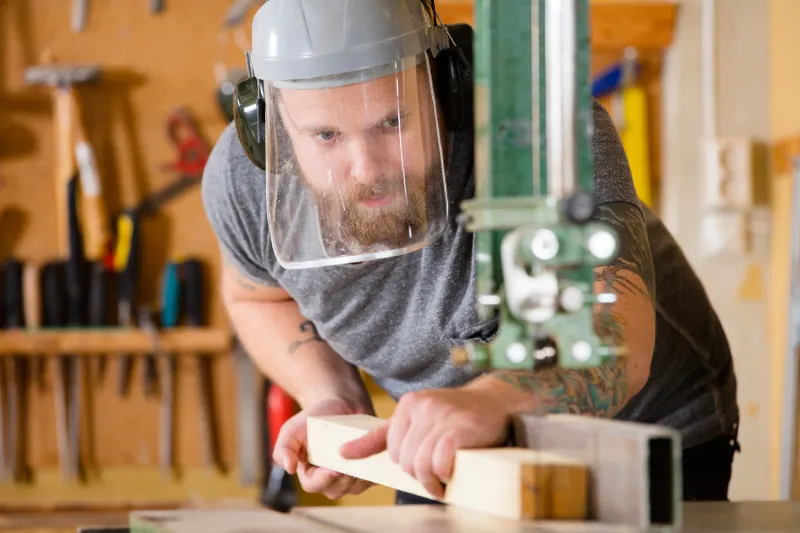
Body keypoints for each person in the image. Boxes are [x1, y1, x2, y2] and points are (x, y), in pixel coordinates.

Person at [202, 0, 739, 504]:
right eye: (325, 136)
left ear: (445, 83)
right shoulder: (243, 181)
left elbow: (612, 330)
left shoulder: (537, 124)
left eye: (392, 122)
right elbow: (256, 297)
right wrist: (329, 394)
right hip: (444, 432)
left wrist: (496, 400)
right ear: (266, 125)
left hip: (638, 427)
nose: (365, 168)